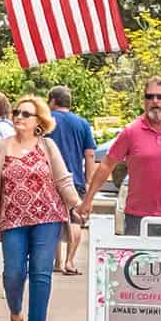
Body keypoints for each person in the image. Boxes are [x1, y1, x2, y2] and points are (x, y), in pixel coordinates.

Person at [0, 95, 80, 321]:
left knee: (41, 272)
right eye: (16, 112)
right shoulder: (1, 147)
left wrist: (79, 205)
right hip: (12, 218)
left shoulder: (47, 146)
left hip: (48, 216)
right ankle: (16, 311)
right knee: (13, 273)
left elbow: (62, 179)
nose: (18, 117)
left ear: (38, 121)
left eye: (25, 114)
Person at [77, 77, 161, 237]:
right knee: (138, 262)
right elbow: (106, 165)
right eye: (149, 97)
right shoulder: (131, 132)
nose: (155, 101)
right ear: (144, 101)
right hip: (138, 215)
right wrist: (88, 200)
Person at [45, 86, 96, 274]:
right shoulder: (82, 124)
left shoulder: (47, 122)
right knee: (75, 220)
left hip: (50, 178)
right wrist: (89, 181)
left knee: (54, 220)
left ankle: (56, 263)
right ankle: (70, 261)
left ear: (52, 101)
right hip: (75, 178)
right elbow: (89, 154)